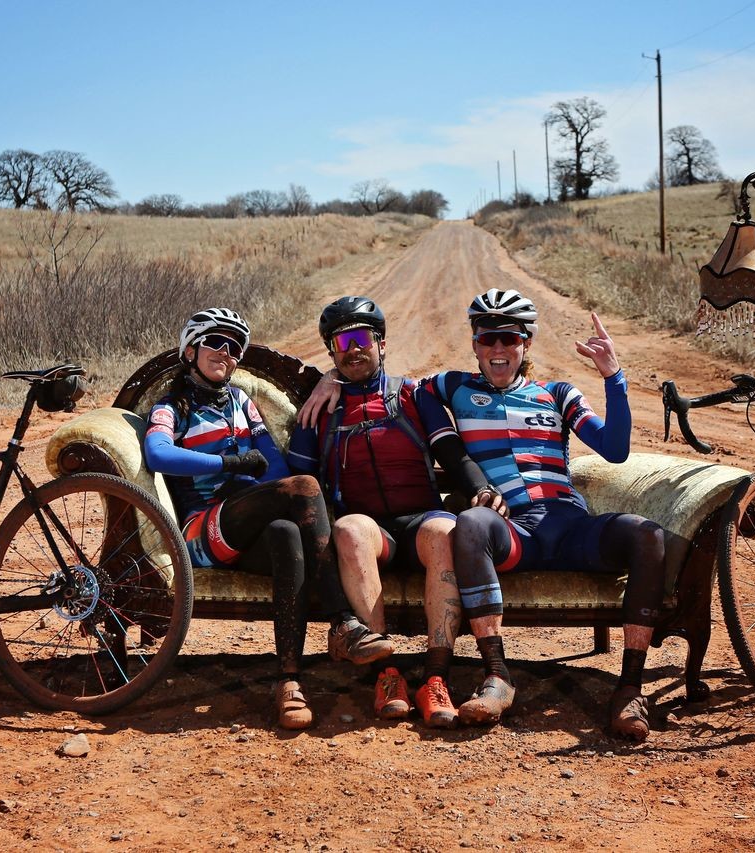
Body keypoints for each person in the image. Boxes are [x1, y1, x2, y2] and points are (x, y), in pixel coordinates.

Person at [422, 288, 666, 740]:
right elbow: (395, 388)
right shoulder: (450, 387)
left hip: (571, 526)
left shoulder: (557, 394)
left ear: (526, 344)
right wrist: (329, 383)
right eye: (488, 339)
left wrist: (613, 376)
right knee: (471, 523)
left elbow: (614, 449)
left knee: (647, 534)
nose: (498, 350)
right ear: (474, 343)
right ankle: (498, 676)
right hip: (517, 532)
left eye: (509, 340)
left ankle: (629, 688)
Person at [143, 308, 381, 730]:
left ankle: (289, 681)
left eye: (235, 348)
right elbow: (159, 454)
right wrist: (228, 463)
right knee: (304, 487)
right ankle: (341, 620)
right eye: (216, 343)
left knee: (286, 533)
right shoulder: (172, 405)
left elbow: (272, 465)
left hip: (245, 525)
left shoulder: (240, 402)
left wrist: (264, 487)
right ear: (191, 348)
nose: (226, 353)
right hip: (200, 530)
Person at [289, 296, 498, 728]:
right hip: (371, 533)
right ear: (331, 352)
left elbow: (451, 453)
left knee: (447, 532)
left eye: (361, 337)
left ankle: (435, 678)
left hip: (421, 520)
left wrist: (480, 488)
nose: (352, 348)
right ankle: (386, 675)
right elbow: (299, 483)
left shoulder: (413, 395)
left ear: (381, 343)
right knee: (349, 529)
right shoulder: (319, 411)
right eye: (341, 341)